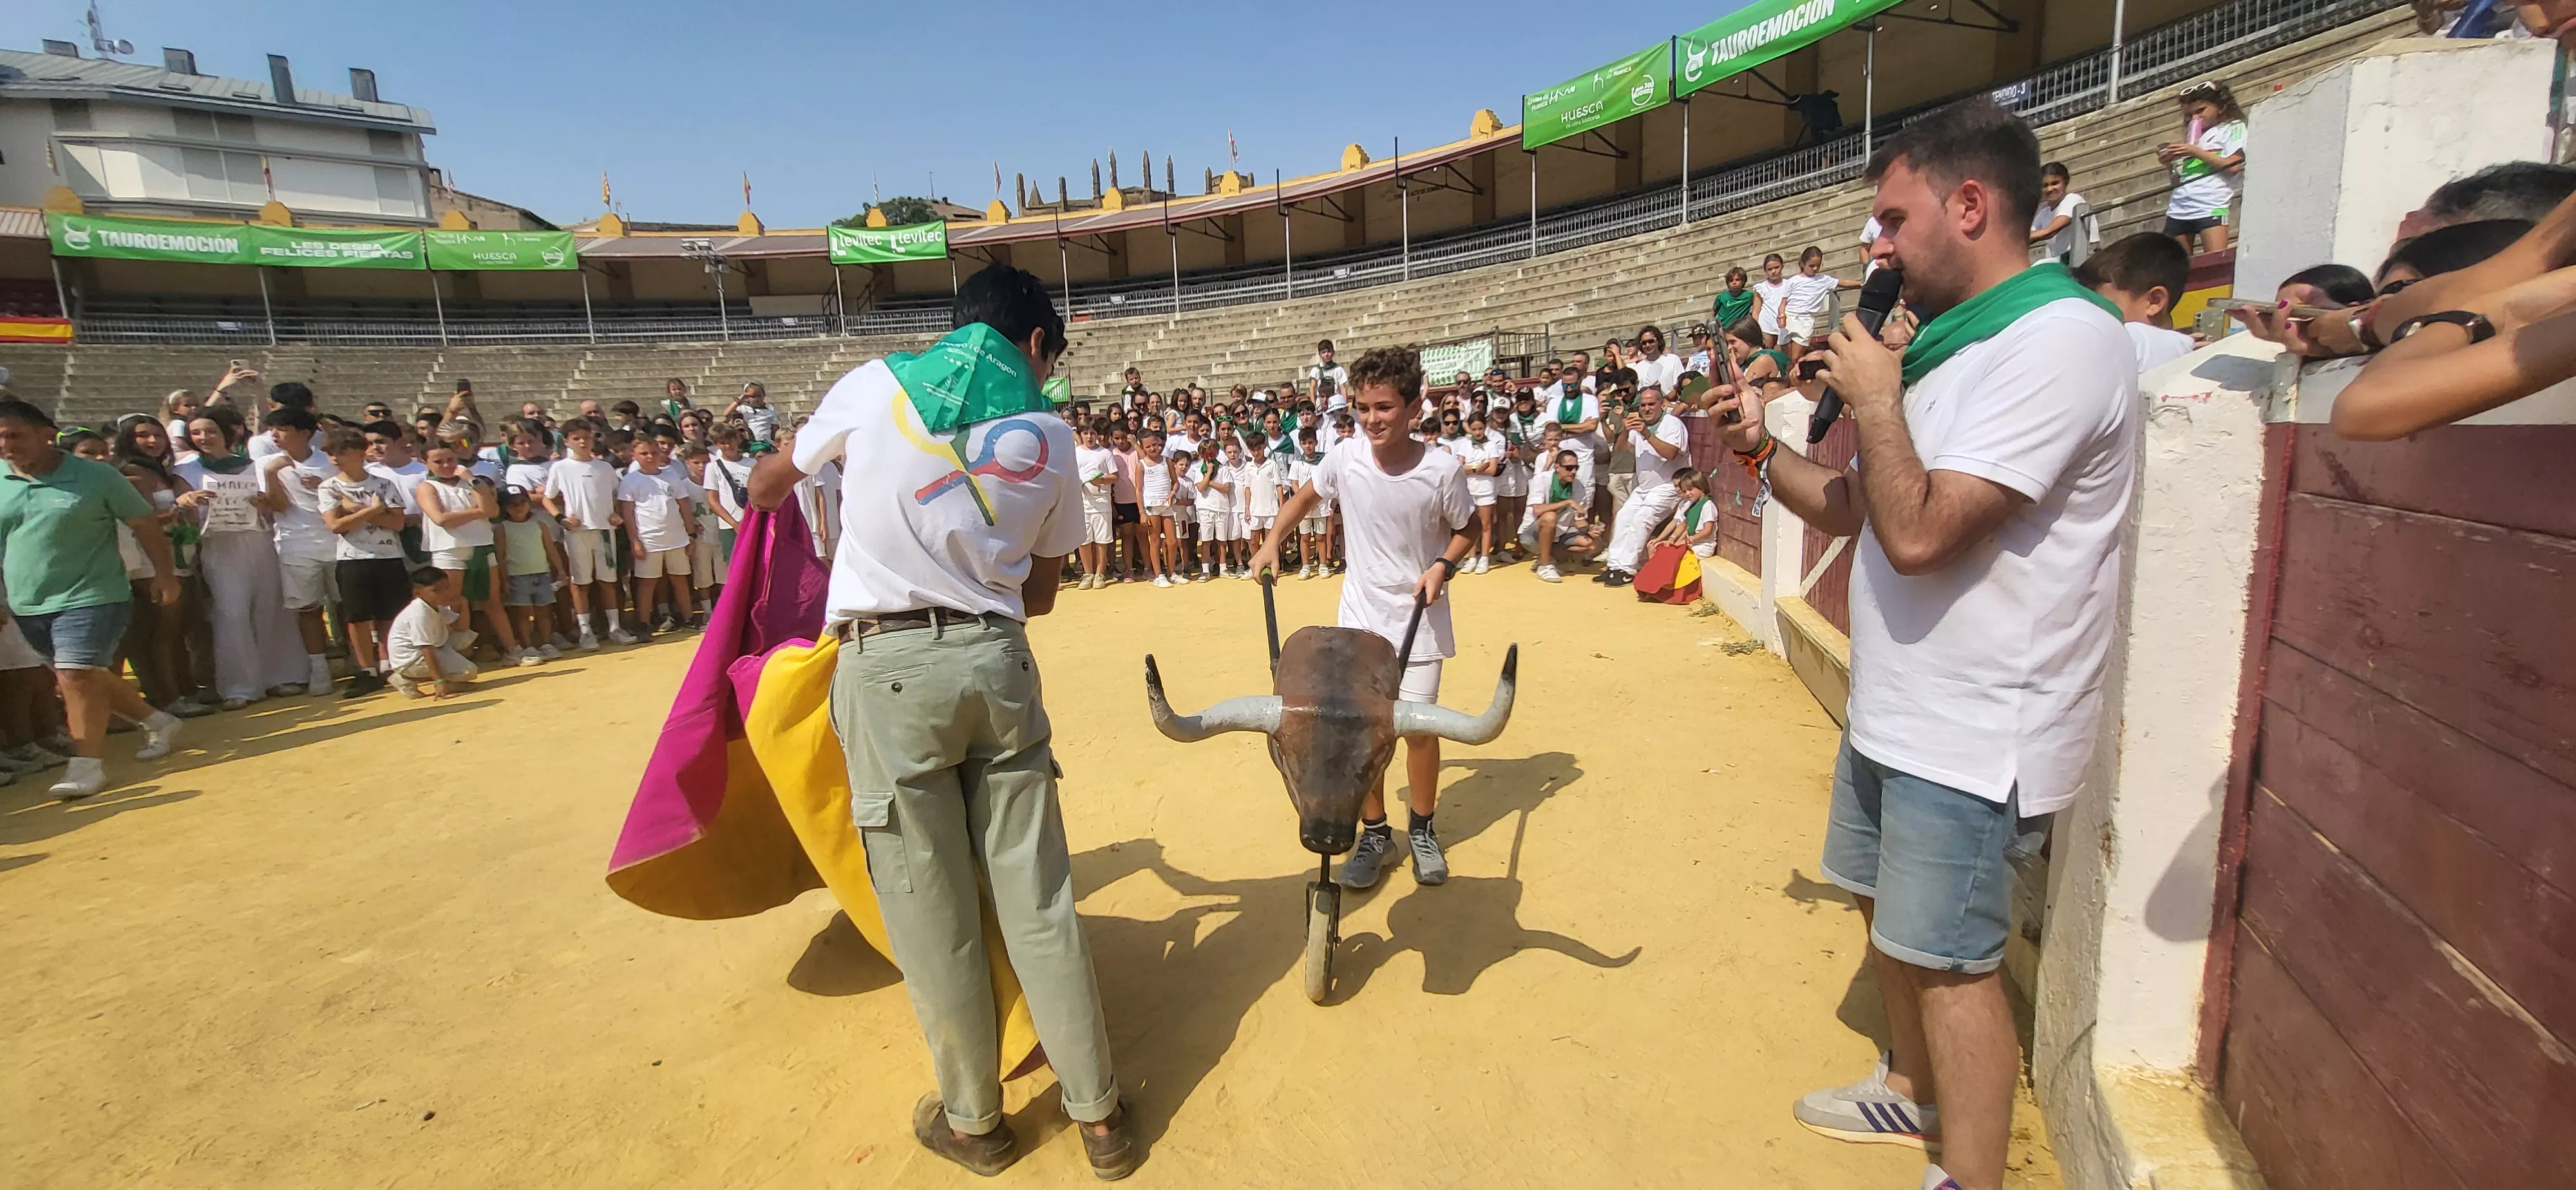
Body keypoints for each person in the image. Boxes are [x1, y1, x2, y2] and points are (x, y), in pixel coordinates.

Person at [1716, 97, 2137, 1190]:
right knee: (1884, 914)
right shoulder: (1954, 346)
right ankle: (1909, 1089)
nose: (1879, 248)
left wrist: (1876, 397)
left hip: (1978, 731)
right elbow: (1860, 506)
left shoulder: (2062, 340)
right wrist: (1760, 451)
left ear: (1971, 205)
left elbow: (1918, 536)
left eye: (1896, 220)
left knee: (1953, 968)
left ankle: (1969, 1176)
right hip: (1900, 708)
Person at [743, 263, 1136, 1179]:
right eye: (1049, 359)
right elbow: (1041, 595)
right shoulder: (1050, 433)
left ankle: (975, 1122)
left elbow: (765, 489)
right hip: (995, 661)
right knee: (1038, 899)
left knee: (931, 910)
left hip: (885, 669)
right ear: (1033, 343)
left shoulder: (871, 385)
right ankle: (1101, 1118)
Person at [1251, 345, 1472, 890]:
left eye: (1385, 407)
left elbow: (1470, 529)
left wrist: (1443, 565)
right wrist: (1273, 542)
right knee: (1358, 732)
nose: (1372, 419)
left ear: (1414, 407)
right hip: (1360, 620)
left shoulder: (1441, 470)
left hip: (1419, 617)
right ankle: (1375, 833)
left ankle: (1422, 829)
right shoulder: (1345, 458)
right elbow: (1303, 499)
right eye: (1363, 408)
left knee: (1418, 733)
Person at [0, 400, 184, 799]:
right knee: (84, 677)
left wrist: (164, 575)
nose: (6, 444)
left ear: (47, 435)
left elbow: (144, 523)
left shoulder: (97, 476)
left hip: (94, 594)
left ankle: (86, 766)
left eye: (15, 435)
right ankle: (157, 720)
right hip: (27, 601)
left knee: (75, 675)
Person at [175, 407, 306, 708]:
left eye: (210, 431)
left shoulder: (257, 466)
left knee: (270, 608)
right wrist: (186, 502)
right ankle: (240, 686)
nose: (203, 437)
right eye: (196, 432)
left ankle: (280, 676)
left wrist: (265, 501)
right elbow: (185, 515)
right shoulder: (186, 471)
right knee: (231, 613)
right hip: (219, 547)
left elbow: (278, 506)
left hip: (260, 541)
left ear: (227, 432)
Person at [316, 428, 413, 697]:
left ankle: (388, 664)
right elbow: (335, 525)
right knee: (357, 617)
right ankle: (366, 670)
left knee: (389, 614)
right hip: (353, 558)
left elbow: (397, 523)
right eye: (331, 454)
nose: (335, 459)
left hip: (388, 555)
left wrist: (357, 511)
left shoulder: (384, 484)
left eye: (342, 452)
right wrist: (373, 510)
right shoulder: (329, 487)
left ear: (360, 453)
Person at [256, 406, 342, 695]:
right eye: (272, 430)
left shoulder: (328, 461)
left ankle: (359, 663)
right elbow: (278, 507)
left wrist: (323, 487)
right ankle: (319, 669)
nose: (275, 435)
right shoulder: (267, 463)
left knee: (345, 605)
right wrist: (271, 474)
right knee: (308, 609)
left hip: (337, 540)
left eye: (282, 429)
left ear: (305, 433)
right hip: (295, 543)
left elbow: (348, 498)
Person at [419, 444, 526, 662]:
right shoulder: (427, 487)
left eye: (450, 459)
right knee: (452, 603)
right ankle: (456, 656)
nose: (446, 465)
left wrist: (472, 480)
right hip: (449, 549)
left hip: (482, 545)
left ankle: (513, 650)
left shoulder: (473, 482)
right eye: (438, 462)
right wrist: (478, 512)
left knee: (493, 602)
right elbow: (441, 519)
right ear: (426, 463)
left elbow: (493, 511)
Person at [542, 420, 630, 649]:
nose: (583, 442)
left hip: (605, 531)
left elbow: (617, 496)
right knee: (581, 582)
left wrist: (617, 515)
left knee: (608, 581)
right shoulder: (560, 468)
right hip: (578, 533)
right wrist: (561, 519)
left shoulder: (605, 468)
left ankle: (615, 628)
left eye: (586, 437)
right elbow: (547, 499)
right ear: (567, 441)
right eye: (577, 438)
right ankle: (585, 631)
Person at [1595, 384, 1689, 589]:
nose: (1646, 409)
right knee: (1623, 517)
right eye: (1643, 405)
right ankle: (1614, 565)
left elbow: (1671, 453)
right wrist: (1625, 429)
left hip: (1669, 486)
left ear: (1662, 404)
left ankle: (1628, 569)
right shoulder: (1638, 425)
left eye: (1651, 404)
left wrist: (1645, 433)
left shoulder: (1673, 424)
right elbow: (1622, 449)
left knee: (1642, 520)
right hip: (1644, 487)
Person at [617, 430, 701, 634]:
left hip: (677, 537)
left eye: (654, 453)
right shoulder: (630, 480)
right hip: (649, 539)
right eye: (644, 453)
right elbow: (628, 513)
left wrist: (691, 535)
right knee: (648, 583)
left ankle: (688, 617)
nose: (650, 457)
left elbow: (684, 506)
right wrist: (635, 540)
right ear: (634, 456)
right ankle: (643, 622)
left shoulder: (671, 476)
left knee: (680, 579)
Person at [2076, 233, 2198, 374]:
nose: (2093, 313)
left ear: (2154, 301)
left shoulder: (2130, 338)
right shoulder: (2180, 348)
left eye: (2104, 305)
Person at [2159, 80, 2248, 254]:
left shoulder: (2232, 128)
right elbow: (2177, 182)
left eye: (2201, 111)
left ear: (2220, 107)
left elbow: (2233, 166)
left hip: (2210, 206)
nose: (2195, 118)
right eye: (2190, 115)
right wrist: (2169, 164)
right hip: (2178, 208)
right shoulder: (2193, 136)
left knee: (2215, 262)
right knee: (2178, 265)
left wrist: (2196, 151)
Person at [495, 488, 565, 662]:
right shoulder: (502, 529)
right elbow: (501, 556)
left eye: (523, 503)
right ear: (504, 508)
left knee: (544, 611)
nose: (519, 508)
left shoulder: (540, 525)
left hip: (542, 574)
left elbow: (551, 550)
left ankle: (547, 643)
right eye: (513, 505)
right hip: (517, 576)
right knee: (523, 613)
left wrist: (561, 571)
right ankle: (528, 646)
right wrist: (504, 580)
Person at [384, 566, 477, 698]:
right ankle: (405, 678)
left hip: (434, 648)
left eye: (447, 588)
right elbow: (426, 649)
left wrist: (464, 604)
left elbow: (462, 627)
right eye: (436, 590)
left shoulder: (436, 606)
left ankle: (449, 677)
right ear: (418, 593)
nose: (445, 594)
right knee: (468, 672)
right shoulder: (419, 614)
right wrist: (439, 681)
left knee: (465, 636)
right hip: (411, 660)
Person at [1521, 439, 1595, 584]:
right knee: (1550, 517)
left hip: (1560, 533)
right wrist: (1567, 502)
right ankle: (1545, 566)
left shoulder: (1578, 486)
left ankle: (1549, 557)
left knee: (1591, 544)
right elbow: (1537, 510)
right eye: (1569, 468)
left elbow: (1579, 520)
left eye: (1576, 468)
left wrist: (1590, 530)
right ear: (1557, 467)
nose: (1573, 472)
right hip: (1531, 535)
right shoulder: (1541, 480)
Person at [1781, 245, 1864, 364]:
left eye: (1818, 266)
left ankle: (1796, 371)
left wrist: (1861, 284)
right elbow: (1784, 301)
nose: (1815, 269)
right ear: (1803, 264)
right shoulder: (1793, 281)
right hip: (1789, 317)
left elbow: (1842, 282)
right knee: (1787, 354)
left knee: (1796, 355)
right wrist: (1782, 315)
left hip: (1806, 320)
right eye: (1811, 266)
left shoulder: (1824, 279)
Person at [1074, 419, 1117, 589]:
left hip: (1101, 502)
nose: (1089, 437)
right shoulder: (1075, 452)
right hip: (1082, 502)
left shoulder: (1105, 453)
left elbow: (1115, 476)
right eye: (1086, 433)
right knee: (1084, 540)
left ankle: (1100, 573)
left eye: (1092, 433)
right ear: (1081, 435)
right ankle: (1088, 573)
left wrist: (1102, 481)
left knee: (1102, 539)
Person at [2027, 162, 2096, 266]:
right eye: (2045, 186)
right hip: (2060, 260)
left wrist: (2022, 238)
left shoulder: (2073, 200)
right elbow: (2029, 235)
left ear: (2066, 182)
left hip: (2081, 257)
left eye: (2055, 183)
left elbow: (2050, 231)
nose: (2050, 189)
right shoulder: (2044, 213)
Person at [1629, 325, 1685, 395]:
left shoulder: (1673, 360)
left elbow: (1679, 387)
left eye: (1651, 341)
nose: (1648, 345)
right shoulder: (1639, 367)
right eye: (1644, 343)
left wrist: (1665, 399)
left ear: (1658, 341)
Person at [1752, 253, 1794, 348]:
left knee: (1783, 355)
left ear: (1782, 267)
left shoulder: (1789, 285)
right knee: (1766, 353)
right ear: (1765, 270)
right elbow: (1756, 311)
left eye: (1777, 267)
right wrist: (1755, 330)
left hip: (1785, 327)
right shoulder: (1761, 288)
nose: (1774, 271)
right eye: (1770, 269)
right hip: (1766, 327)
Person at [724, 382, 779, 453]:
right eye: (752, 397)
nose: (756, 399)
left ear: (764, 396)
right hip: (750, 443)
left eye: (759, 396)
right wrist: (741, 398)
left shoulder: (770, 412)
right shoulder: (744, 409)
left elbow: (775, 429)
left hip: (765, 443)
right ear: (747, 398)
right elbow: (726, 413)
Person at [1712, 267, 1757, 337]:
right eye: (1731, 281)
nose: (1734, 283)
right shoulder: (1722, 297)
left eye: (1737, 280)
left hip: (1739, 329)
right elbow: (1713, 312)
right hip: (1723, 329)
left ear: (1743, 282)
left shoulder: (1749, 296)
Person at [1309, 339, 1350, 404]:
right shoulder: (1316, 370)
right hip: (1321, 404)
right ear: (1319, 354)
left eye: (1329, 352)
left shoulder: (1338, 369)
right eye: (1324, 352)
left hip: (1336, 403)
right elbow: (1312, 389)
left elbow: (1343, 388)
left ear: (1333, 353)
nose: (1327, 354)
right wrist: (1313, 405)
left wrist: (1345, 403)